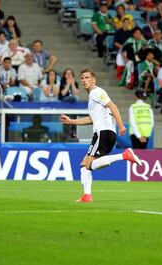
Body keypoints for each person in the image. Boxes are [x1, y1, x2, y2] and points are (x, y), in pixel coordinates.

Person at [60, 69, 141, 203]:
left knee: (87, 164)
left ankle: (124, 155)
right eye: (82, 78)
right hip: (106, 133)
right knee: (84, 165)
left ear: (94, 80)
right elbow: (91, 119)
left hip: (102, 133)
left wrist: (121, 125)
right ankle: (87, 196)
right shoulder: (93, 96)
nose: (84, 80)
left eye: (87, 77)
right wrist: (71, 121)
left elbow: (113, 106)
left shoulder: (97, 92)